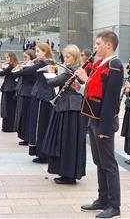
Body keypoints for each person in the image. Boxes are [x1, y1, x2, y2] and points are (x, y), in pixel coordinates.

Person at [73, 30, 123, 218]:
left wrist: (103, 128)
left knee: (109, 164)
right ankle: (102, 199)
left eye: (98, 44)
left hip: (104, 122)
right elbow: (95, 92)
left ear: (108, 45)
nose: (96, 47)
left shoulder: (115, 65)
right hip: (94, 119)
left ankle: (114, 205)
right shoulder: (101, 64)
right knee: (99, 161)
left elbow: (110, 100)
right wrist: (81, 87)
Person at [42, 44, 86, 184]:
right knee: (69, 142)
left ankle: (68, 174)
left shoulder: (71, 72)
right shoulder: (75, 70)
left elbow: (52, 83)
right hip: (71, 109)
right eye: (65, 56)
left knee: (67, 141)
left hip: (69, 110)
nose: (65, 59)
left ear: (75, 57)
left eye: (68, 57)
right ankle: (69, 173)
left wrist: (49, 71)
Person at [26, 43, 56, 164]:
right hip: (40, 95)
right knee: (38, 123)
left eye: (38, 51)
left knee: (40, 124)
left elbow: (27, 71)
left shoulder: (46, 63)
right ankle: (40, 152)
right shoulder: (44, 63)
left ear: (45, 52)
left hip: (43, 96)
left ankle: (43, 153)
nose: (36, 53)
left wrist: (28, 65)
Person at [12, 50, 37, 145]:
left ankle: (28, 137)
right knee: (23, 115)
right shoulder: (27, 66)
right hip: (24, 92)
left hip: (29, 93)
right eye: (24, 57)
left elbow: (19, 74)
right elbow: (14, 74)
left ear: (31, 57)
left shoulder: (34, 67)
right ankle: (25, 137)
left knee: (27, 115)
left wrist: (25, 67)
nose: (24, 59)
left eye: (26, 57)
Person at [0, 51, 19, 132]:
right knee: (11, 108)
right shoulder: (14, 65)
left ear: (12, 57)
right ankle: (11, 126)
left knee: (8, 108)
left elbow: (1, 73)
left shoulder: (12, 66)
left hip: (9, 89)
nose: (6, 59)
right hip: (11, 88)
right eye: (6, 57)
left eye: (7, 57)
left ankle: (8, 127)